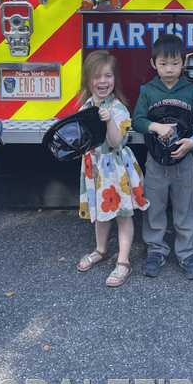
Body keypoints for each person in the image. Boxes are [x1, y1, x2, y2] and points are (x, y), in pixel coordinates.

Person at [132, 33, 193, 280]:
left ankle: (186, 252)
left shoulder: (189, 90)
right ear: (153, 63)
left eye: (175, 64)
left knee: (184, 208)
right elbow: (137, 121)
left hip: (184, 162)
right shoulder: (149, 92)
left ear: (183, 64)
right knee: (154, 207)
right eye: (164, 64)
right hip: (155, 163)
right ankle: (156, 249)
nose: (169, 69)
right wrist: (154, 127)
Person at [77, 50, 149, 287]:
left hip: (114, 170)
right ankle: (100, 249)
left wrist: (108, 120)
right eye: (97, 76)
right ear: (88, 79)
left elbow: (116, 142)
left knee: (122, 214)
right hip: (94, 167)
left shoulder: (119, 108)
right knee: (100, 211)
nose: (103, 82)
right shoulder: (85, 106)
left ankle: (124, 261)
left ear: (114, 79)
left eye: (108, 76)